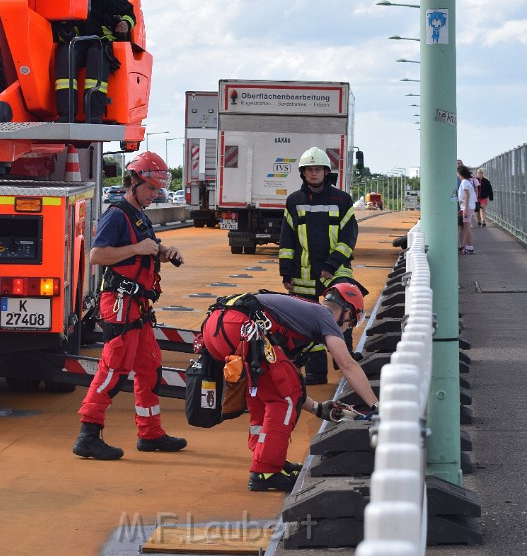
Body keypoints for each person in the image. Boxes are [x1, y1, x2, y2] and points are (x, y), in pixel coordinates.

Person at [200, 283, 378, 492]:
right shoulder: (324, 316)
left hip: (216, 326)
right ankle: (266, 470)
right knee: (283, 399)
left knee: (264, 393)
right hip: (241, 325)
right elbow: (347, 365)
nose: (346, 329)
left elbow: (290, 384)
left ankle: (265, 456)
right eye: (350, 323)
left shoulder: (299, 315)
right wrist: (376, 406)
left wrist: (319, 409)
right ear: (347, 311)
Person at [73, 151, 187, 460]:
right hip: (121, 303)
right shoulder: (117, 214)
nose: (155, 194)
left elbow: (141, 250)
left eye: (157, 190)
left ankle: (150, 433)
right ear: (133, 182)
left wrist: (164, 251)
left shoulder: (138, 215)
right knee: (114, 369)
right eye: (150, 188)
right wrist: (138, 247)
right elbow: (96, 255)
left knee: (150, 368)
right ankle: (88, 433)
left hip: (139, 307)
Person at [279, 146, 360, 385]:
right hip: (303, 276)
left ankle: (344, 360)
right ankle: (316, 373)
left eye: (318, 169)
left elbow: (348, 238)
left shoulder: (342, 200)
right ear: (303, 173)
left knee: (341, 319)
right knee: (306, 325)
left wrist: (331, 265)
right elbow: (287, 240)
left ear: (326, 172)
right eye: (309, 170)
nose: (313, 173)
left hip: (336, 274)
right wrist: (286, 271)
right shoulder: (294, 201)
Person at [50, 0, 136, 124]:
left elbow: (128, 12)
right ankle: (66, 115)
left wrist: (125, 24)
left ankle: (94, 115)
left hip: (101, 43)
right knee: (66, 52)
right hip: (76, 44)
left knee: (97, 54)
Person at [457, 164, 476, 254]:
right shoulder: (466, 182)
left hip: (467, 208)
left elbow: (467, 196)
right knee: (466, 228)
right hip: (467, 207)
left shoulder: (464, 182)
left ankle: (470, 248)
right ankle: (469, 247)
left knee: (467, 228)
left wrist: (465, 209)